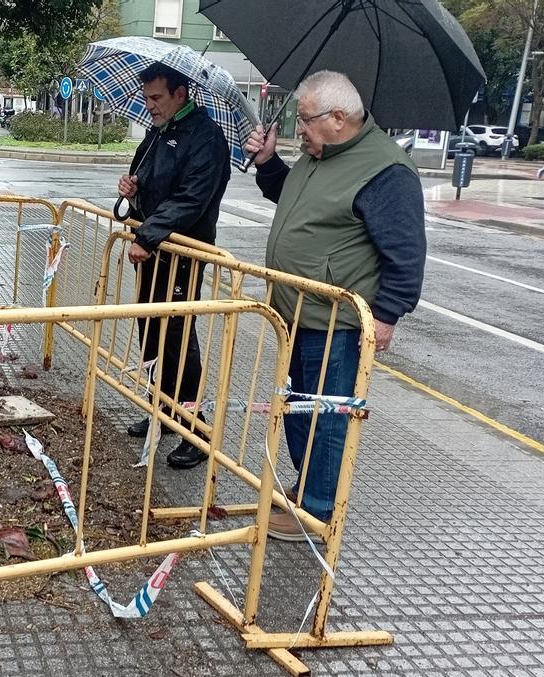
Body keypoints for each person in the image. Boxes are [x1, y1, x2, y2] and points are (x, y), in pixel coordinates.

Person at [243, 71, 425, 540]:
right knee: (298, 409)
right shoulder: (320, 154)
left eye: (305, 121)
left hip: (337, 323)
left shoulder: (385, 169)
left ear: (338, 118)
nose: (298, 129)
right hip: (297, 313)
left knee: (326, 418)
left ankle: (318, 511)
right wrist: (267, 162)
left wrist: (385, 317)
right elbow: (297, 200)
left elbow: (405, 254)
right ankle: (308, 491)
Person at [117, 62, 232, 469]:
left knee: (179, 337)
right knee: (151, 328)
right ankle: (163, 409)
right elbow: (145, 181)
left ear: (181, 94)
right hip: (152, 251)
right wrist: (131, 188)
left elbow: (190, 199)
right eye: (146, 97)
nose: (149, 105)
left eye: (157, 98)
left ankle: (195, 428)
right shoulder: (158, 133)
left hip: (183, 254)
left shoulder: (206, 138)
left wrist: (148, 236)